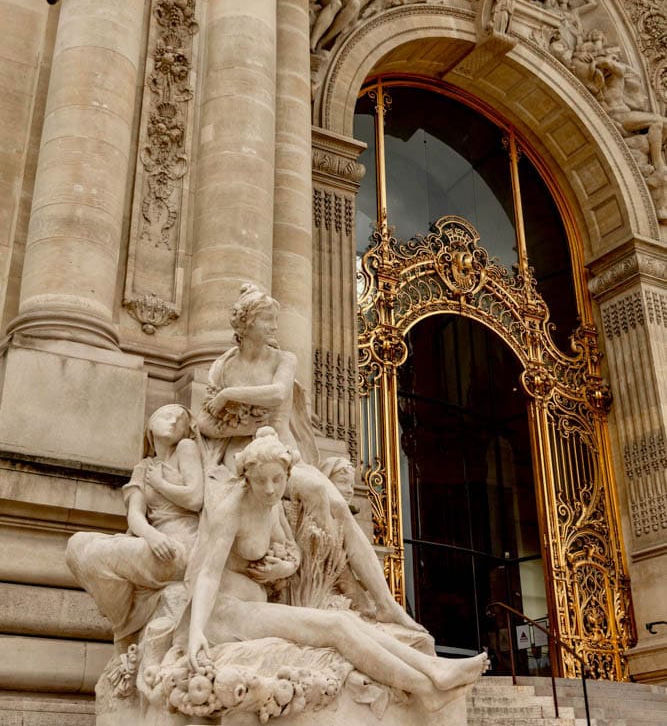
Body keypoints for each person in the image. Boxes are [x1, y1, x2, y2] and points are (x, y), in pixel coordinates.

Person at [187, 427, 488, 712]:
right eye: (261, 481)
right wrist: (196, 632)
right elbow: (208, 573)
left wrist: (284, 568)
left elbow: (291, 552)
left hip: (252, 606)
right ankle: (428, 684)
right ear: (246, 478)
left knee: (346, 621)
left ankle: (433, 672)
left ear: (287, 475)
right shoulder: (231, 510)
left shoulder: (272, 505)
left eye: (278, 480)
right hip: (225, 613)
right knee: (337, 627)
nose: (270, 489)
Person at [197, 283, 424, 633]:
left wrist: (230, 396)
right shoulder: (223, 366)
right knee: (320, 495)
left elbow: (276, 394)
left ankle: (383, 603)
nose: (275, 327)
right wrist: (233, 421)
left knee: (333, 502)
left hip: (288, 460)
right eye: (268, 320)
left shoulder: (283, 360)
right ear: (246, 325)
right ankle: (345, 587)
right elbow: (205, 423)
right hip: (243, 462)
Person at [66, 404, 203, 649]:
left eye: (180, 419)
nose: (173, 421)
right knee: (76, 545)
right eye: (166, 415)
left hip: (183, 546)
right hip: (157, 542)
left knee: (97, 555)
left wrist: (159, 484)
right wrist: (152, 536)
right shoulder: (143, 467)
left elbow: (195, 498)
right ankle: (125, 625)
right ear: (150, 427)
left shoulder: (186, 448)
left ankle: (122, 632)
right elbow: (135, 516)